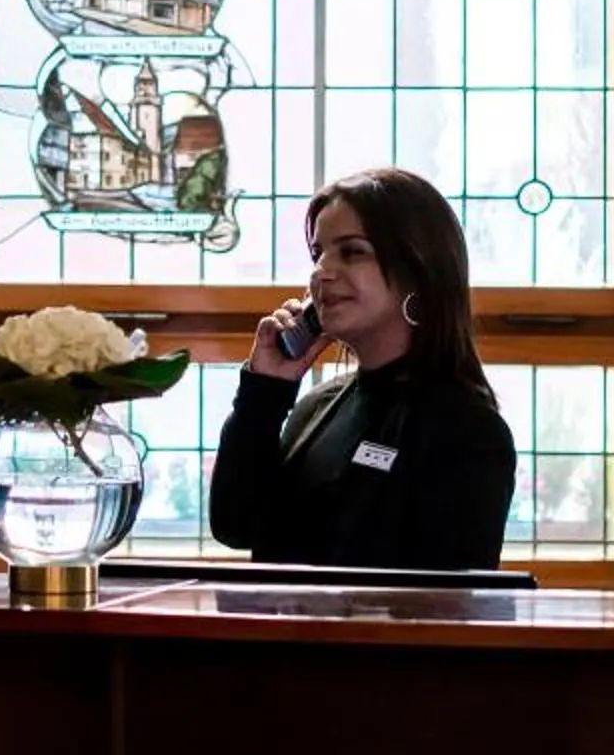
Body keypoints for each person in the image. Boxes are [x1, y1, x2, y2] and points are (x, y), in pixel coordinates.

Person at [208, 167, 515, 570]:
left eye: (352, 251)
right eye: (319, 254)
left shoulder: (466, 428)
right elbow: (235, 525)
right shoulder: (317, 407)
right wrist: (263, 394)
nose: (322, 272)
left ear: (417, 271)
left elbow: (447, 606)